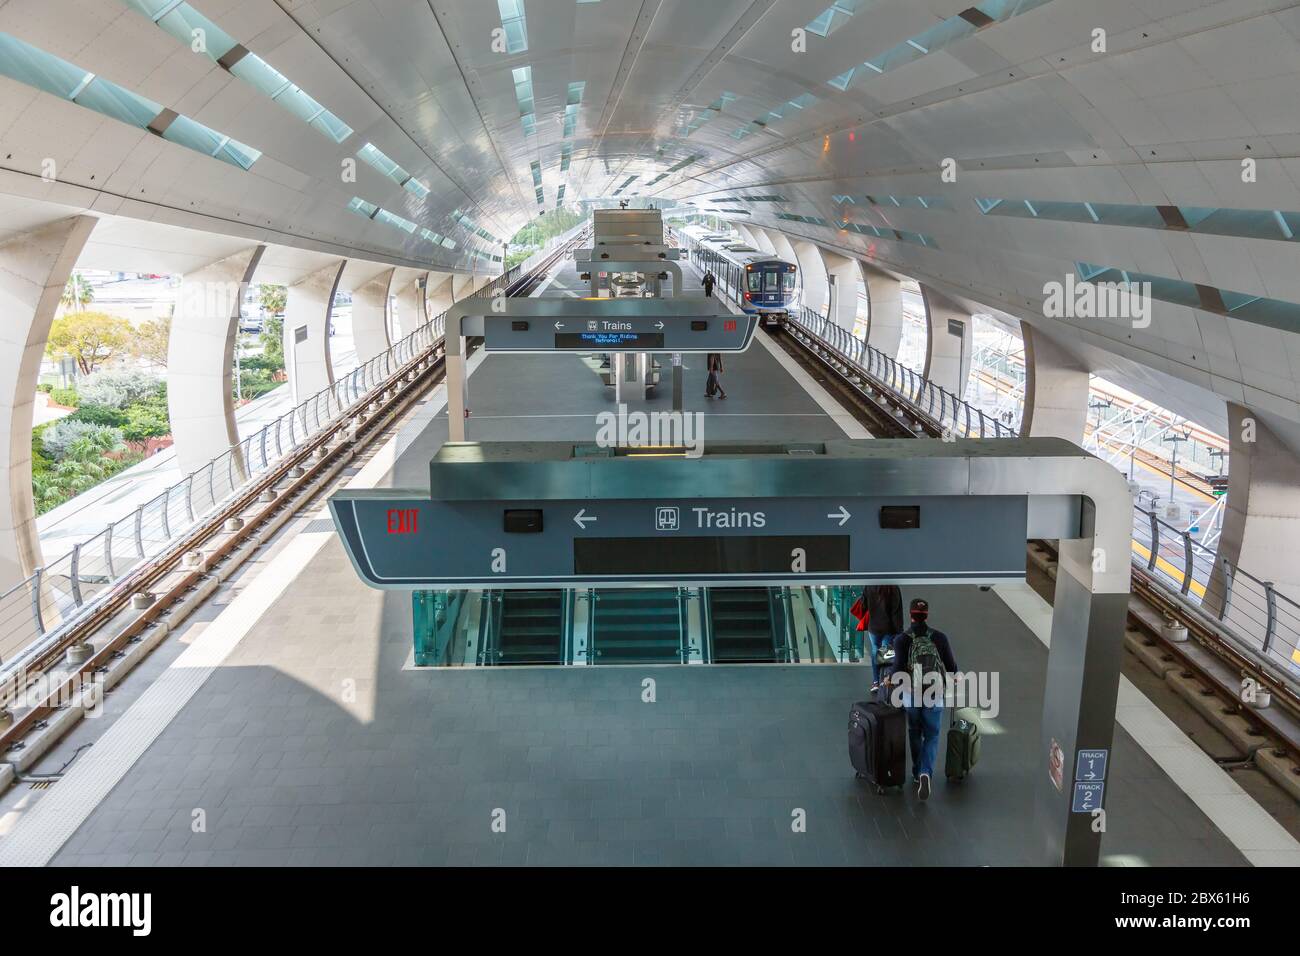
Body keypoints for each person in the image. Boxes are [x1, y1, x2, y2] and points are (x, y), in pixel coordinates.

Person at [887, 598, 957, 801]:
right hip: (934, 694)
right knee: (933, 736)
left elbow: (898, 669)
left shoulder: (901, 639)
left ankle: (917, 772)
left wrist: (890, 680)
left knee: (915, 732)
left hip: (912, 695)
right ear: (926, 615)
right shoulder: (939, 638)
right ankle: (926, 771)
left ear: (911, 615)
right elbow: (952, 667)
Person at [859, 584, 904, 691]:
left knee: (875, 651)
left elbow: (863, 606)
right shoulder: (893, 588)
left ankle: (876, 682)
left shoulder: (869, 586)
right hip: (889, 628)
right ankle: (885, 681)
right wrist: (899, 630)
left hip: (873, 627)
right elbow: (896, 612)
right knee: (886, 654)